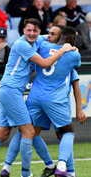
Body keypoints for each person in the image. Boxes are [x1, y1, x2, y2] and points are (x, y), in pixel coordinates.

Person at [0, 18, 74, 177]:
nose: (32, 33)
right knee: (60, 132)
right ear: (23, 30)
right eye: (29, 30)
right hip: (19, 92)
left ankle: (7, 167)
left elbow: (48, 36)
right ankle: (30, 172)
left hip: (26, 95)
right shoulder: (24, 44)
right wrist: (67, 48)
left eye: (35, 31)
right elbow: (47, 64)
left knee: (14, 133)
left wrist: (59, 40)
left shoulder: (41, 42)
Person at [26, 26, 82, 177]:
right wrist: (70, 49)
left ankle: (49, 166)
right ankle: (62, 167)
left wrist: (48, 38)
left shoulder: (43, 46)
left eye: (52, 34)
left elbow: (37, 38)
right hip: (56, 100)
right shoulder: (74, 56)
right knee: (67, 133)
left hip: (35, 98)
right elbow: (76, 71)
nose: (49, 36)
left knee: (28, 133)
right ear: (71, 41)